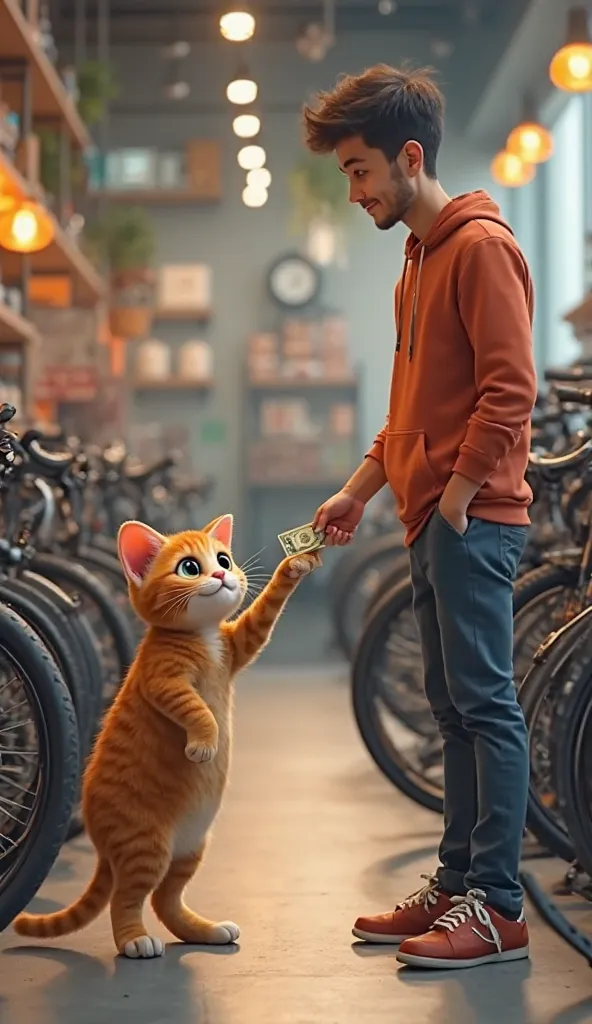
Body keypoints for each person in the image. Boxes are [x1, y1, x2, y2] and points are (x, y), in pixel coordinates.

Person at [303, 63, 537, 971]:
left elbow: (509, 391)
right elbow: (410, 409)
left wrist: (457, 495)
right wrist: (359, 489)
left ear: (409, 158)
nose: (355, 191)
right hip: (432, 518)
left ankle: (500, 907)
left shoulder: (480, 248)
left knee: (486, 705)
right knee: (450, 708)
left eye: (360, 171)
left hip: (471, 521)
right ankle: (457, 883)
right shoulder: (419, 257)